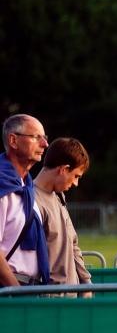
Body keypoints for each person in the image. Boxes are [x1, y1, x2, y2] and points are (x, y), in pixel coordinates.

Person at [33, 137, 92, 293]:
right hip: (49, 301)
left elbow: (73, 244)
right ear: (64, 169)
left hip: (69, 296)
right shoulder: (31, 201)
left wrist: (86, 283)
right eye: (76, 176)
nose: (76, 183)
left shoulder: (59, 197)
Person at [0, 114, 50, 286]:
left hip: (28, 288)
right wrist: (16, 291)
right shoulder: (2, 186)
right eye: (37, 137)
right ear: (13, 141)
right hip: (10, 292)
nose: (45, 144)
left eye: (45, 138)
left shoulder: (26, 187)